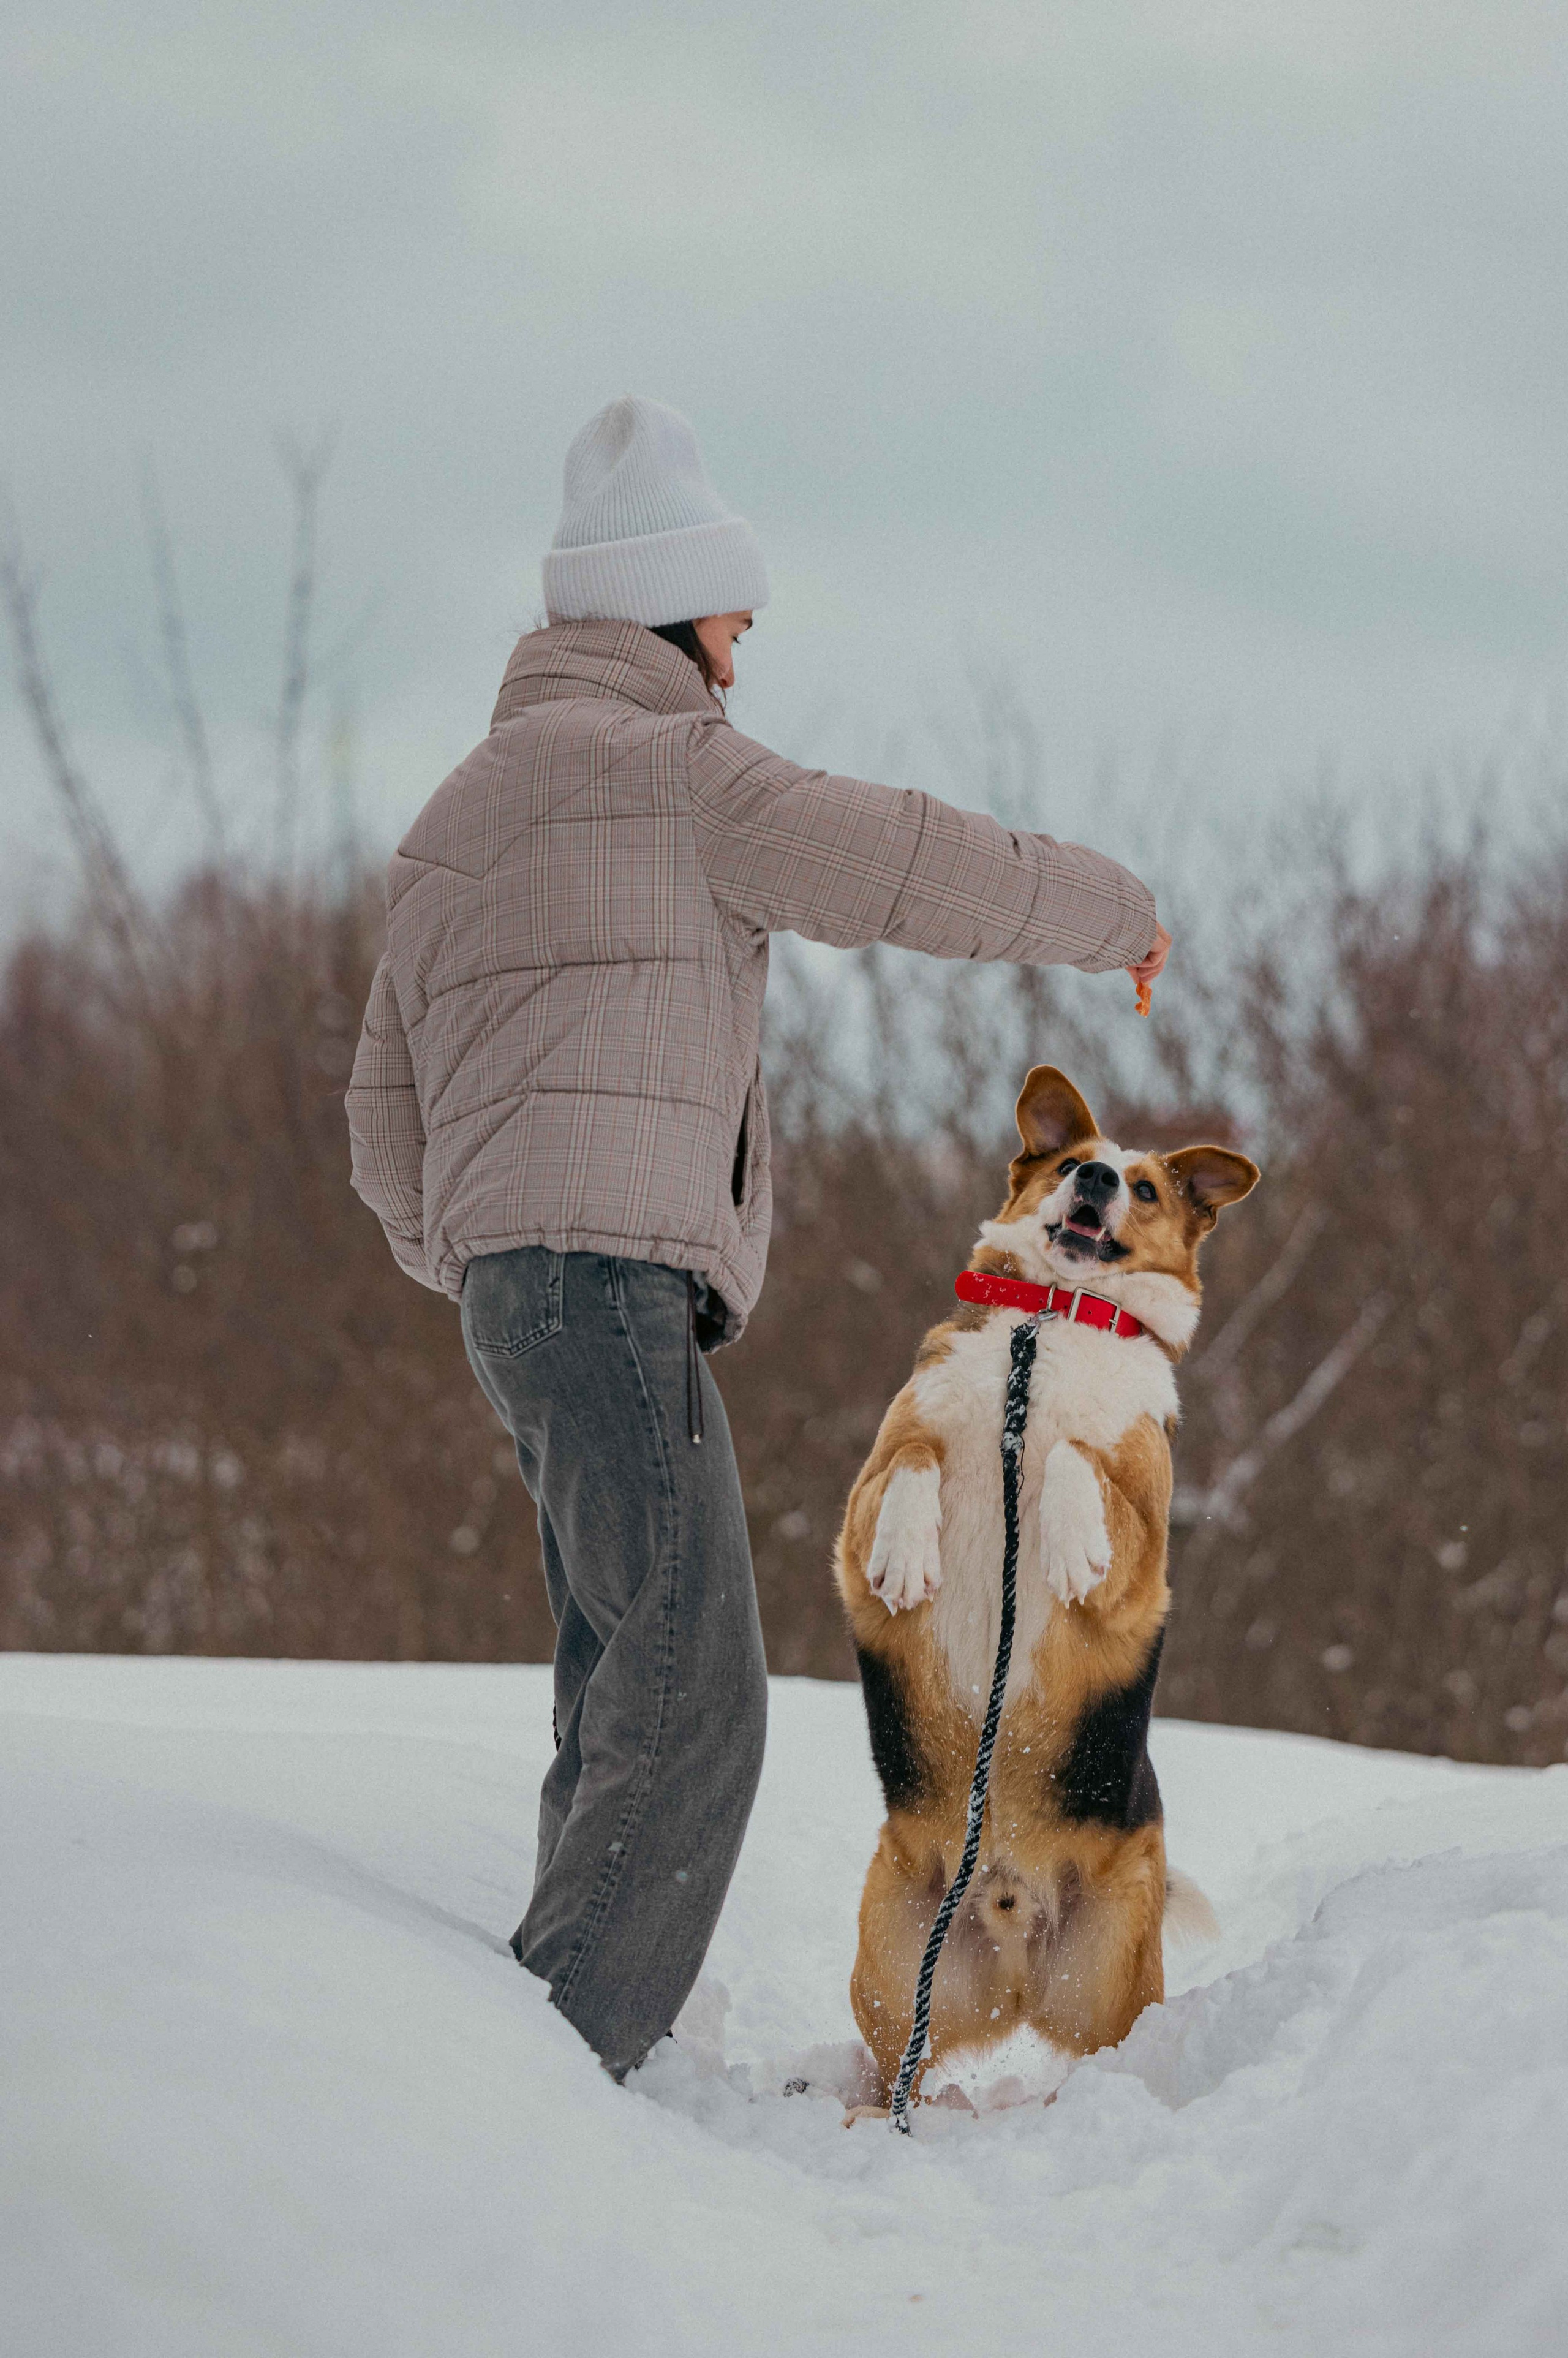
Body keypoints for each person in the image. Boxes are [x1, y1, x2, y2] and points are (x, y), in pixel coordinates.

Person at [346, 394, 1171, 2081]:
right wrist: (1114, 912)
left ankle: (534, 2041)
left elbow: (381, 1117)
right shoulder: (684, 775)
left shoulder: (455, 812)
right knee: (696, 1699)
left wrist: (487, 1252)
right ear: (663, 613)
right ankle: (549, 2075)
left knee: (618, 1674)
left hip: (517, 1298)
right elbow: (908, 861)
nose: (742, 656)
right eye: (732, 622)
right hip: (609, 1291)